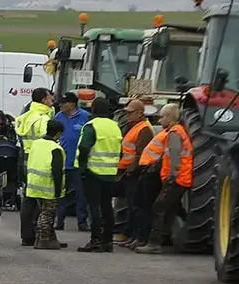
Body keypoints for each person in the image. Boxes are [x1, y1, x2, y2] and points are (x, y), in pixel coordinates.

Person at [136, 104, 193, 254]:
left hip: (175, 179)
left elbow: (174, 156)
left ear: (169, 117)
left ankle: (154, 243)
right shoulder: (178, 131)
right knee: (172, 210)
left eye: (162, 117)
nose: (160, 120)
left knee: (158, 208)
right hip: (181, 179)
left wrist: (172, 175)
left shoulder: (174, 133)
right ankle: (172, 238)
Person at [75, 98, 122, 252]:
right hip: (110, 172)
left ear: (93, 110)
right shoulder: (115, 126)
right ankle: (107, 241)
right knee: (107, 206)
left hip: (93, 172)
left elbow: (84, 146)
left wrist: (82, 167)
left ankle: (95, 240)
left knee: (94, 207)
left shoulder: (91, 126)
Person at [17, 88, 55, 246]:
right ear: (44, 99)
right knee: (44, 197)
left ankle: (27, 235)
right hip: (41, 157)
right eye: (50, 97)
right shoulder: (43, 119)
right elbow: (48, 138)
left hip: (26, 156)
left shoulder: (25, 116)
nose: (52, 99)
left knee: (29, 196)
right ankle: (42, 234)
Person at [115, 99, 155, 247]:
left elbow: (140, 154)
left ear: (139, 113)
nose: (127, 115)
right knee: (132, 206)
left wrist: (131, 170)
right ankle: (131, 235)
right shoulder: (134, 126)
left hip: (135, 173)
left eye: (130, 112)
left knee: (137, 207)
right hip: (128, 171)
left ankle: (137, 236)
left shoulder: (144, 129)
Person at [25, 120, 67, 249]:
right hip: (48, 187)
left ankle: (51, 239)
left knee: (43, 212)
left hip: (34, 184)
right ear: (58, 134)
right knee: (47, 214)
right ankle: (43, 240)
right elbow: (57, 171)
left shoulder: (36, 144)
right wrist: (59, 191)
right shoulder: (56, 148)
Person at [54, 92, 90, 232]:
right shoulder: (58, 117)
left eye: (64, 103)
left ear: (72, 104)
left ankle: (82, 222)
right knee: (60, 193)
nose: (61, 105)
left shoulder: (85, 117)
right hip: (62, 161)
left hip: (77, 163)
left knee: (81, 194)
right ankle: (59, 221)